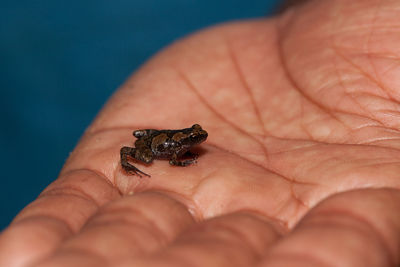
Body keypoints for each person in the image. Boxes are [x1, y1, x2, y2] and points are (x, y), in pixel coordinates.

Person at [1, 0, 399, 266]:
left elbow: (179, 144)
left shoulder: (185, 140)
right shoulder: (175, 149)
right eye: (196, 137)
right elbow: (172, 153)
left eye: (196, 137)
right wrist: (173, 156)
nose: (198, 140)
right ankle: (126, 164)